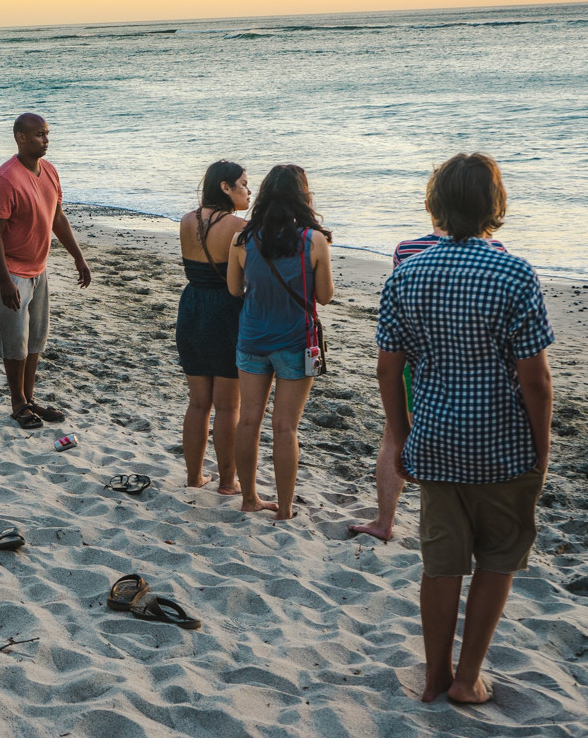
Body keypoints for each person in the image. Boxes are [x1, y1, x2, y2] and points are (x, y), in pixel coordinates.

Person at [375, 153, 552, 705]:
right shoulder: (515, 274)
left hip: (434, 440)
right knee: (498, 559)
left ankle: (433, 674)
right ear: (494, 207)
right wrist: (540, 448)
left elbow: (388, 368)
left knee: (441, 562)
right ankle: (467, 677)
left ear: (437, 205)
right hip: (501, 444)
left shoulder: (407, 274)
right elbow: (536, 382)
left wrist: (401, 435)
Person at [350, 227, 508, 541]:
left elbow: (400, 311)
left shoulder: (406, 250)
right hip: (469, 364)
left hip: (416, 358)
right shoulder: (495, 249)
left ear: (431, 204)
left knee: (395, 437)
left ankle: (384, 522)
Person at [226, 164, 334, 520]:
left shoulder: (243, 239)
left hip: (253, 338)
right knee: (285, 427)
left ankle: (249, 499)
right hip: (296, 342)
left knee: (248, 421)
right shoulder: (313, 240)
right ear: (303, 196)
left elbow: (233, 289)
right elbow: (325, 296)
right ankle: (285, 508)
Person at [0, 112, 91, 429]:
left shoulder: (50, 172)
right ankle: (18, 404)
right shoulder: (5, 180)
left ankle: (29, 398)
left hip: (37, 267)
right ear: (21, 138)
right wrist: (4, 281)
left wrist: (78, 257)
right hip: (6, 268)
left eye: (47, 133)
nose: (46, 139)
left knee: (35, 337)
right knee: (15, 338)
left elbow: (58, 218)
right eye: (39, 134)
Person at [176, 160, 249, 494]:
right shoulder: (238, 227)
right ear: (225, 187)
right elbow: (240, 282)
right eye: (244, 183)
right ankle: (228, 482)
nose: (249, 190)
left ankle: (193, 477)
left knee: (197, 403)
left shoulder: (186, 220)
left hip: (192, 307)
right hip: (225, 312)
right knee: (228, 407)